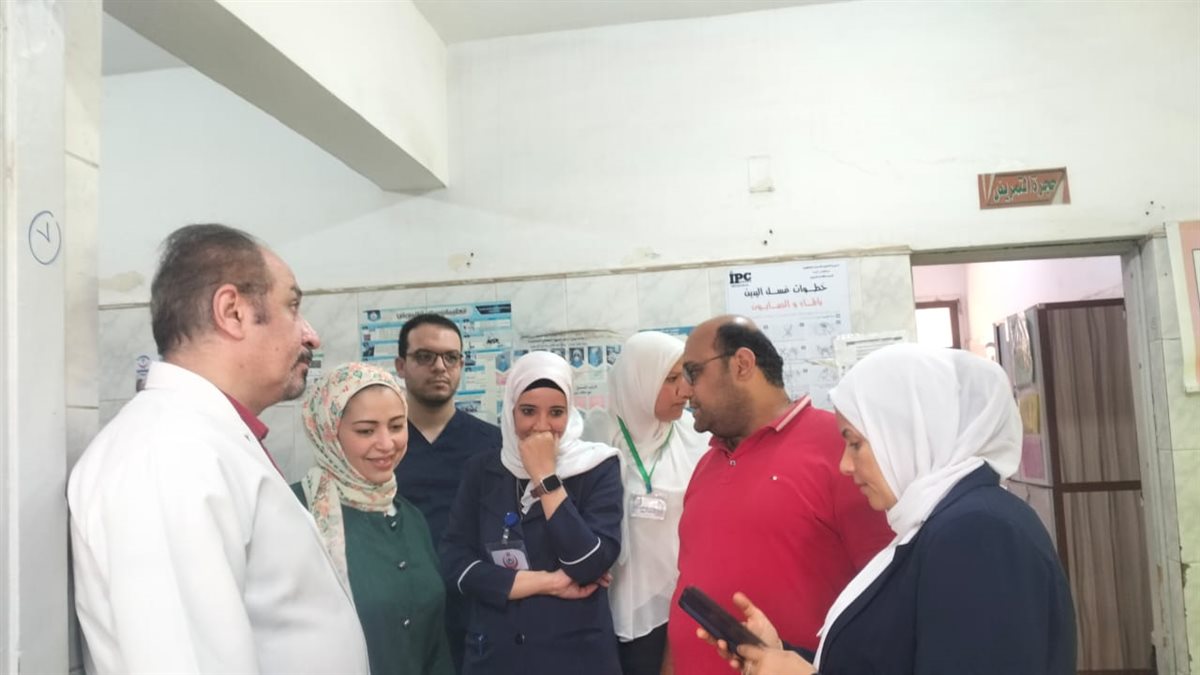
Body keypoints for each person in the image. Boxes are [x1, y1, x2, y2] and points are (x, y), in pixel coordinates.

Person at [68, 224, 369, 674]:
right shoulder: (168, 452)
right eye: (292, 306)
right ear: (232, 312)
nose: (311, 335)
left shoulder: (202, 437)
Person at [698, 344, 1077, 675]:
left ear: (906, 434)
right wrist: (783, 656)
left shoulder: (978, 533)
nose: (845, 465)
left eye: (855, 444)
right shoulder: (940, 522)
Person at [666, 316, 894, 675]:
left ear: (742, 364)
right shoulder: (706, 464)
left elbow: (887, 595)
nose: (684, 390)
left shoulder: (840, 451)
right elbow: (688, 583)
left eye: (693, 373)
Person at [440, 351, 624, 675]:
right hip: (495, 655)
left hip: (575, 657)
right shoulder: (482, 470)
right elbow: (455, 564)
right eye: (528, 411)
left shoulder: (597, 466)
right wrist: (547, 582)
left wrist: (544, 476)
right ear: (511, 411)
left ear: (570, 412)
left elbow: (588, 564)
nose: (542, 426)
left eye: (556, 412)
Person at [293, 362, 453, 675]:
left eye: (396, 426)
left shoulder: (411, 518)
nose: (386, 444)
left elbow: (434, 642)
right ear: (329, 432)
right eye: (366, 431)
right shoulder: (296, 512)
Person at [587, 331, 710, 675]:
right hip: (608, 604)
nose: (685, 390)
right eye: (670, 379)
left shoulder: (696, 437)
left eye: (686, 376)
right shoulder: (598, 435)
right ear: (638, 381)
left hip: (686, 603)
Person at [394, 313, 502, 671]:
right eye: (425, 356)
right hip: (403, 613)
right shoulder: (382, 446)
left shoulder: (493, 445)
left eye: (451, 357)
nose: (440, 367)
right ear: (401, 365)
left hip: (475, 612)